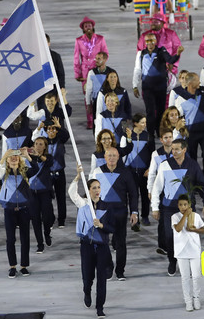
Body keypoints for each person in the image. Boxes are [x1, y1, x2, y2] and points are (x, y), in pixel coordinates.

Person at [151, 139, 204, 276]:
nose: (174, 152)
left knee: (190, 236)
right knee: (170, 237)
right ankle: (172, 261)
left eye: (177, 149)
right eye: (173, 149)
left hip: (188, 208)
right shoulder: (165, 165)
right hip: (168, 208)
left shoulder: (192, 165)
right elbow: (157, 187)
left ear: (184, 150)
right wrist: (155, 207)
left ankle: (189, 264)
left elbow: (202, 185)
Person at [69, 166, 114, 319]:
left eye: (99, 187)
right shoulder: (83, 204)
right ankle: (86, 291)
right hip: (86, 246)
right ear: (88, 190)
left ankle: (100, 307)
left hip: (102, 247)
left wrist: (101, 225)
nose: (97, 190)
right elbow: (72, 193)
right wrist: (77, 177)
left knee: (102, 279)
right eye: (94, 188)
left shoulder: (106, 207)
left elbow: (112, 227)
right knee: (88, 277)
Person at [92, 147, 138, 280]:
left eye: (114, 155)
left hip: (120, 212)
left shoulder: (125, 172)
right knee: (103, 243)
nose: (111, 158)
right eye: (109, 155)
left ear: (118, 157)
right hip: (102, 213)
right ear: (105, 158)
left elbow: (133, 194)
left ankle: (120, 271)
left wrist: (134, 212)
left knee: (120, 242)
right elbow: (91, 193)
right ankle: (108, 267)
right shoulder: (97, 171)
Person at [0, 148, 38, 278]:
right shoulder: (4, 173)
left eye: (16, 157)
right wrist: (3, 157)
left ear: (19, 159)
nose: (13, 158)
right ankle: (12, 266)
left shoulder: (24, 172)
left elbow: (35, 169)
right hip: (9, 210)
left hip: (24, 209)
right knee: (10, 239)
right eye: (11, 157)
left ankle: (24, 266)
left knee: (25, 239)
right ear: (7, 160)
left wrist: (27, 156)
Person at [133, 33, 184, 140]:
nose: (150, 43)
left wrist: (178, 54)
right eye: (147, 41)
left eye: (152, 40)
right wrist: (135, 85)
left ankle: (160, 131)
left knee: (161, 111)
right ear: (144, 43)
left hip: (160, 87)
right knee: (150, 111)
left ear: (155, 41)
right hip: (147, 88)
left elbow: (170, 60)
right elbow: (137, 69)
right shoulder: (141, 54)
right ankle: (151, 134)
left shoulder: (161, 51)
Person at [33, 118, 70, 228]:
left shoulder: (60, 139)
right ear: (46, 131)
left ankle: (61, 220)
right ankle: (50, 218)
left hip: (59, 172)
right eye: (49, 129)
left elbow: (66, 135)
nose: (52, 131)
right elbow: (34, 139)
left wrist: (59, 127)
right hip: (47, 173)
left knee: (61, 197)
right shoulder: (43, 142)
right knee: (47, 198)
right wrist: (39, 128)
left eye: (54, 129)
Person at [172, 194, 204, 312]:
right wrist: (185, 215)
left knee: (196, 276)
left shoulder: (195, 216)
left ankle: (196, 298)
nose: (183, 207)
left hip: (194, 250)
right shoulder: (175, 217)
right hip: (181, 251)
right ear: (178, 205)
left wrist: (195, 229)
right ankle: (188, 301)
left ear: (189, 205)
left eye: (185, 205)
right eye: (180, 205)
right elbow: (178, 229)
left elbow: (202, 229)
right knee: (185, 277)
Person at [74, 16, 108, 129]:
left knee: (101, 93)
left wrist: (103, 67)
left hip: (98, 70)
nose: (88, 27)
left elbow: (106, 53)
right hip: (85, 71)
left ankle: (101, 117)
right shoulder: (78, 40)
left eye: (89, 25)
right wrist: (77, 73)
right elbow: (76, 58)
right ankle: (90, 119)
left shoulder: (100, 39)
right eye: (85, 26)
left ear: (93, 27)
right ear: (83, 28)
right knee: (87, 95)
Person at [124, 113, 154, 226]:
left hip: (144, 171)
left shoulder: (148, 136)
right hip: (130, 171)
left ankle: (145, 216)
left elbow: (153, 154)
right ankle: (134, 217)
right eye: (142, 122)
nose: (144, 125)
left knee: (145, 195)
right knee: (133, 195)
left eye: (145, 122)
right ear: (135, 123)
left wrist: (150, 168)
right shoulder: (128, 135)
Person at [147, 127, 173, 255]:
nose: (168, 140)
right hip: (162, 190)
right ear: (161, 140)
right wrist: (150, 189)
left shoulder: (178, 152)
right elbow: (152, 174)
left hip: (175, 191)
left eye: (170, 137)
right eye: (166, 137)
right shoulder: (156, 154)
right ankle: (163, 245)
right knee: (162, 220)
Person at [28, 136, 54, 253]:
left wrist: (38, 155)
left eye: (41, 144)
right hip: (32, 192)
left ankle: (47, 233)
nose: (38, 146)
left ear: (45, 147)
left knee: (47, 217)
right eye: (36, 143)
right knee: (35, 218)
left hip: (45, 192)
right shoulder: (29, 158)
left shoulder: (48, 157)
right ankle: (40, 243)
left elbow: (48, 163)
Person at [85, 52, 115, 129]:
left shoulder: (111, 72)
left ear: (105, 60)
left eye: (99, 59)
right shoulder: (91, 73)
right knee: (97, 123)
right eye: (96, 58)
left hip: (109, 103)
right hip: (96, 102)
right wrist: (88, 104)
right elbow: (88, 90)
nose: (96, 60)